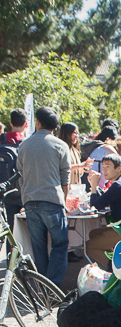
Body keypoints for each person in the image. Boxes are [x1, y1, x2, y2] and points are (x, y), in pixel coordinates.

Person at [17, 106, 71, 287]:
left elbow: (21, 176)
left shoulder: (24, 145)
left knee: (38, 248)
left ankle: (42, 287)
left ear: (38, 122)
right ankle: (52, 287)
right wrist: (64, 198)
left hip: (31, 201)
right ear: (54, 126)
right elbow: (65, 178)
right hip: (53, 201)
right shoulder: (60, 145)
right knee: (60, 244)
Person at [87, 153, 121, 270]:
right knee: (92, 234)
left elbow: (95, 206)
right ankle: (114, 260)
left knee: (88, 247)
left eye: (107, 166)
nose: (104, 170)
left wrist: (94, 185)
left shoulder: (118, 185)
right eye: (103, 167)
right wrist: (94, 186)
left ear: (118, 168)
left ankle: (113, 269)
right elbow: (104, 199)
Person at [0, 108, 27, 247]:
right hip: (25, 192)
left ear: (10, 122)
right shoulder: (27, 143)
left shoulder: (1, 140)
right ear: (26, 124)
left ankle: (11, 256)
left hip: (6, 190)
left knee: (10, 229)